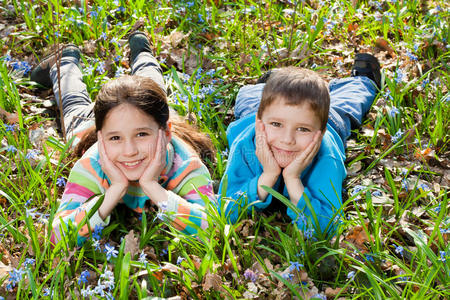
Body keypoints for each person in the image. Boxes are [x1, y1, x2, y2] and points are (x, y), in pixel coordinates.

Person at [30, 32, 215, 246]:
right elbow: (57, 236)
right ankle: (65, 61)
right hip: (91, 124)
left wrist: (152, 186)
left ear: (165, 133)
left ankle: (142, 51)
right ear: (101, 139)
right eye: (116, 138)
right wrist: (113, 192)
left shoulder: (184, 164)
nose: (129, 151)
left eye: (141, 135)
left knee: (153, 88)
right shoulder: (93, 163)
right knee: (74, 104)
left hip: (140, 113)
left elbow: (210, 227)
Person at [218, 54, 381, 236]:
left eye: (302, 129)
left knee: (347, 103)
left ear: (320, 132)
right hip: (254, 113)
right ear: (260, 125)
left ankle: (362, 80)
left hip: (330, 119)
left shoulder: (326, 157)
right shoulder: (246, 146)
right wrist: (268, 175)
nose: (287, 139)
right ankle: (270, 83)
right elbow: (226, 211)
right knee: (250, 97)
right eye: (276, 124)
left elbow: (325, 228)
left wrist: (293, 180)